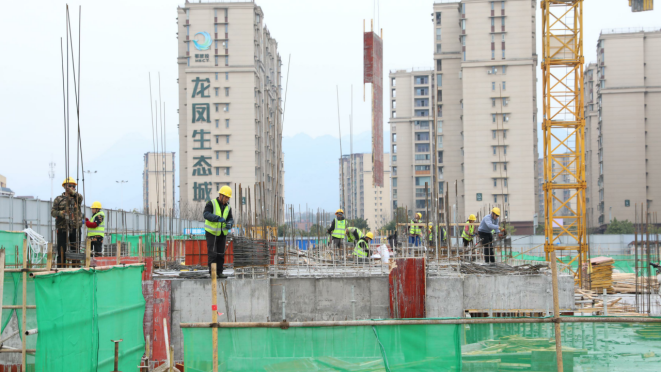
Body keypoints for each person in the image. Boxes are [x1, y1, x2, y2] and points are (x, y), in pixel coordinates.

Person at [51, 177, 83, 267]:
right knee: (61, 249)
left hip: (75, 227)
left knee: (75, 249)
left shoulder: (77, 198)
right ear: (65, 187)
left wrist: (73, 193)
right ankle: (61, 267)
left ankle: (75, 268)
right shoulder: (59, 199)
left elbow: (80, 197)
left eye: (74, 186)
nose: (72, 188)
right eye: (70, 186)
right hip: (62, 227)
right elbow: (53, 212)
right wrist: (60, 213)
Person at [204, 185, 234, 278]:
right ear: (221, 195)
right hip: (212, 233)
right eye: (226, 197)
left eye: (228, 198)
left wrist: (230, 223)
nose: (227, 200)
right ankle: (213, 273)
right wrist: (217, 218)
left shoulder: (228, 207)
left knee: (221, 254)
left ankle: (220, 272)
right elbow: (206, 214)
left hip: (222, 233)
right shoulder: (211, 203)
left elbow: (230, 218)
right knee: (213, 254)